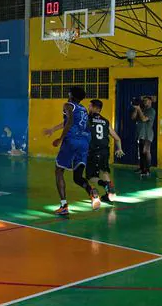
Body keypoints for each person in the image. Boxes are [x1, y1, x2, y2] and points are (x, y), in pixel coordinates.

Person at [43, 86, 96, 214]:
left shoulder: (68, 105)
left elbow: (70, 121)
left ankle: (64, 206)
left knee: (59, 171)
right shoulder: (83, 109)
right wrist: (53, 129)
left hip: (72, 140)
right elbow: (83, 125)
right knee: (77, 177)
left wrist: (60, 139)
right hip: (84, 142)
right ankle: (91, 191)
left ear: (71, 95)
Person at [87, 99, 124, 202]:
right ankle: (110, 194)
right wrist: (119, 149)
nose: (88, 108)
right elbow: (117, 138)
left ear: (96, 108)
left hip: (93, 151)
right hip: (104, 151)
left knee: (91, 177)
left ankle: (105, 185)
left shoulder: (88, 119)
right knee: (105, 171)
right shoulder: (105, 121)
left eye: (90, 106)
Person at [131, 96, 156, 177]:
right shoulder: (142, 109)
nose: (145, 102)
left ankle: (147, 170)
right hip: (140, 134)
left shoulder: (151, 111)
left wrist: (139, 109)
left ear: (150, 101)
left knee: (146, 151)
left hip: (147, 135)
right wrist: (136, 109)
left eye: (147, 100)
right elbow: (133, 117)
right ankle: (142, 168)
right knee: (141, 153)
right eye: (144, 100)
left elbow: (144, 119)